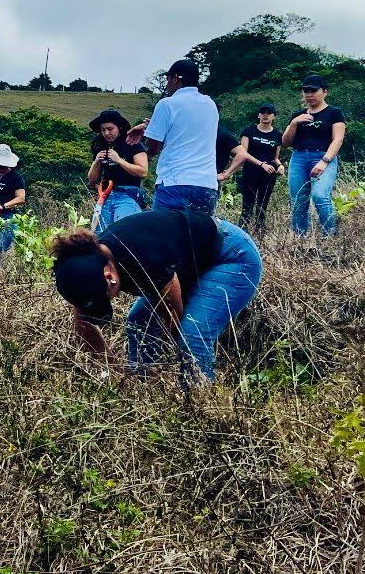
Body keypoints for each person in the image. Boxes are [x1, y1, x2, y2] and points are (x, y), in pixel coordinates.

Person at [50, 208, 262, 385]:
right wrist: (115, 371)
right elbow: (84, 323)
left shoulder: (142, 256)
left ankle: (199, 401)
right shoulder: (85, 267)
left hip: (231, 255)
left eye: (104, 297)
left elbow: (172, 317)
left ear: (109, 277)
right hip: (187, 263)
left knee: (192, 336)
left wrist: (175, 360)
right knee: (138, 322)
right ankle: (141, 385)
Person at [135, 58, 221, 214]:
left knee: (165, 229)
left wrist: (145, 140)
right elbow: (188, 129)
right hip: (206, 185)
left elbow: (153, 148)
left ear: (175, 78)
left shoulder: (167, 104)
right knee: (200, 230)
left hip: (175, 182)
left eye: (168, 79)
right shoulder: (210, 104)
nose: (167, 85)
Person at [282, 74, 347, 238]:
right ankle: (299, 239)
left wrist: (324, 161)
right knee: (298, 200)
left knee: (320, 196)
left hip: (323, 156)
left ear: (325, 91)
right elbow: (285, 142)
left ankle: (329, 237)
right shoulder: (297, 115)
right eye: (306, 91)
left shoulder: (334, 113)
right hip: (298, 158)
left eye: (314, 91)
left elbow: (338, 140)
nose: (309, 94)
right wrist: (294, 123)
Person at [221, 104, 283, 232]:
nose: (265, 115)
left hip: (269, 173)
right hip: (251, 170)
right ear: (259, 115)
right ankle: (243, 230)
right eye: (263, 112)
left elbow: (276, 157)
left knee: (263, 204)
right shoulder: (249, 131)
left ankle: (260, 232)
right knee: (248, 203)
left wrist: (280, 166)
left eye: (269, 113)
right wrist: (261, 164)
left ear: (274, 116)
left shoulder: (277, 135)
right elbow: (243, 153)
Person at [86, 109, 148, 231]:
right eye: (103, 130)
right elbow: (92, 179)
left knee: (125, 231)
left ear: (119, 127)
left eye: (110, 129)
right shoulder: (100, 146)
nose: (106, 133)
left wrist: (119, 160)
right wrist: (96, 162)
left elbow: (143, 171)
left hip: (128, 194)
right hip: (106, 195)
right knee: (100, 233)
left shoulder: (132, 143)